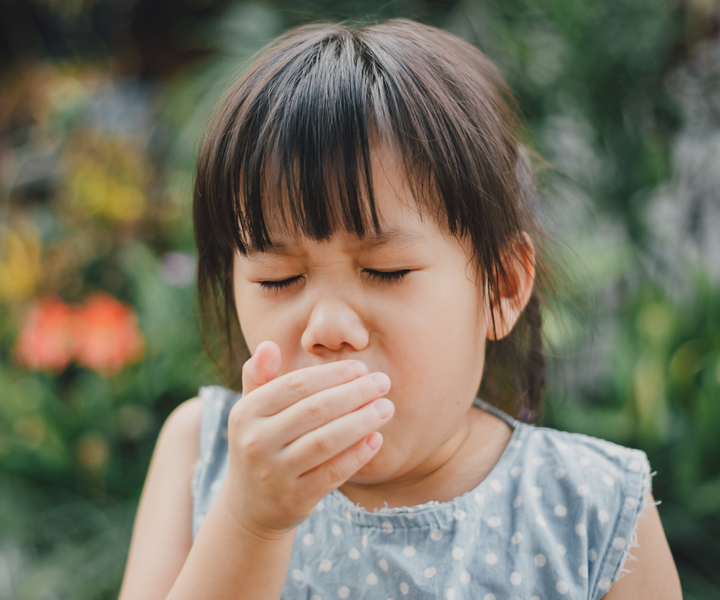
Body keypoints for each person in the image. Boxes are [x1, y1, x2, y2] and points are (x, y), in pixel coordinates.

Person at [118, 19, 682, 600]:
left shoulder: (592, 508)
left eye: (385, 271)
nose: (328, 327)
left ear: (502, 287)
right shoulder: (199, 450)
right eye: (278, 278)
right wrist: (250, 522)